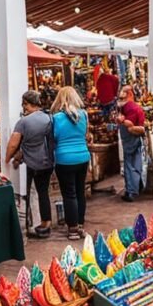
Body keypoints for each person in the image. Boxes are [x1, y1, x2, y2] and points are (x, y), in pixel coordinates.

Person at [5, 90, 54, 239]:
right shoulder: (49, 118)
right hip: (48, 161)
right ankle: (46, 223)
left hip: (32, 163)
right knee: (43, 192)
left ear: (26, 104)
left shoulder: (23, 122)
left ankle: (29, 223)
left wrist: (6, 159)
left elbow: (13, 144)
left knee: (27, 193)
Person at [50, 87, 91, 240]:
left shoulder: (56, 118)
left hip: (64, 158)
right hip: (83, 157)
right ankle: (80, 225)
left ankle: (72, 229)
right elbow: (86, 134)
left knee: (69, 194)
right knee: (80, 191)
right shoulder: (84, 115)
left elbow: (53, 138)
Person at [115, 86, 146, 202]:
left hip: (130, 137)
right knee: (137, 162)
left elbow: (130, 125)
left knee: (129, 164)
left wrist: (121, 121)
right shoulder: (135, 107)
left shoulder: (128, 107)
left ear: (129, 94)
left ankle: (131, 191)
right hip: (135, 137)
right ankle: (138, 186)